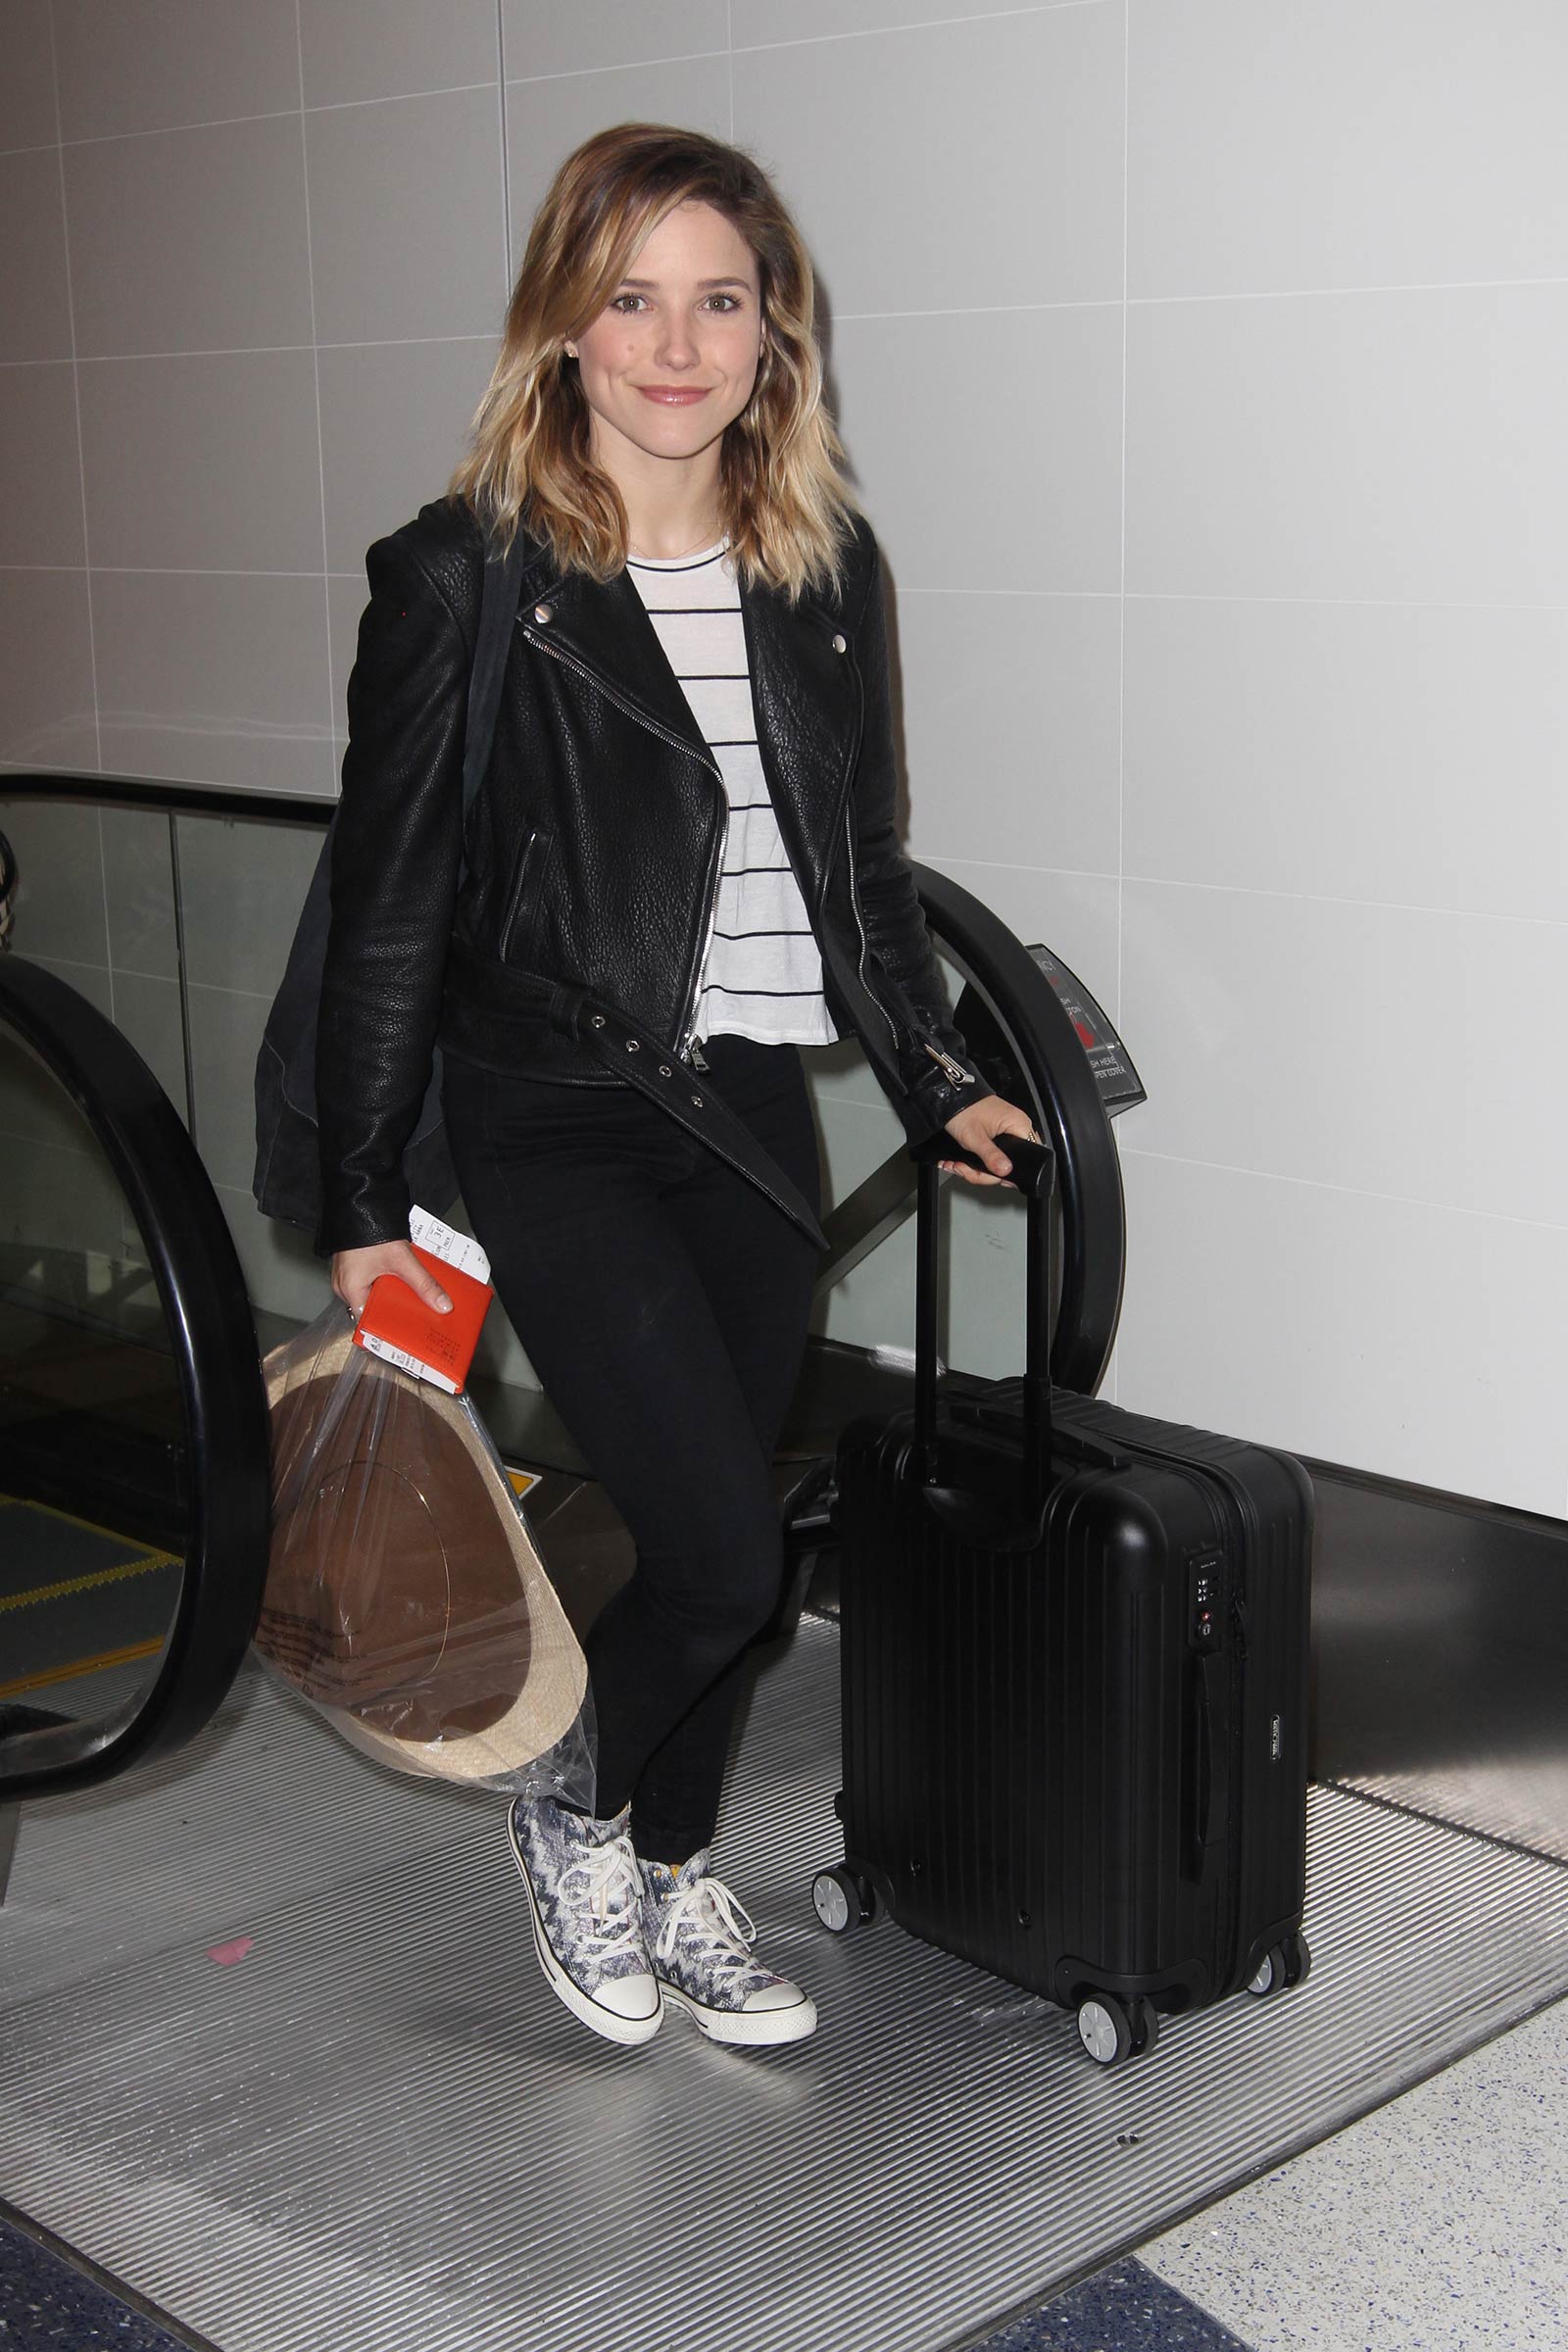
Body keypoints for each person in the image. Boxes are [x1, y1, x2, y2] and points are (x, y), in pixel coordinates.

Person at [317, 122, 1037, 2052]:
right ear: (559, 322)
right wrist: (363, 1206)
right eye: (627, 295)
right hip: (550, 1099)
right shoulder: (465, 578)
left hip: (747, 1111)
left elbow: (857, 870)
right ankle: (570, 1807)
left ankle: (669, 1858)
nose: (671, 340)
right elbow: (385, 910)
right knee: (713, 1548)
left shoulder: (819, 567)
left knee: (735, 1545)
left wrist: (934, 1068)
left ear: (770, 333)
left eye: (716, 297)